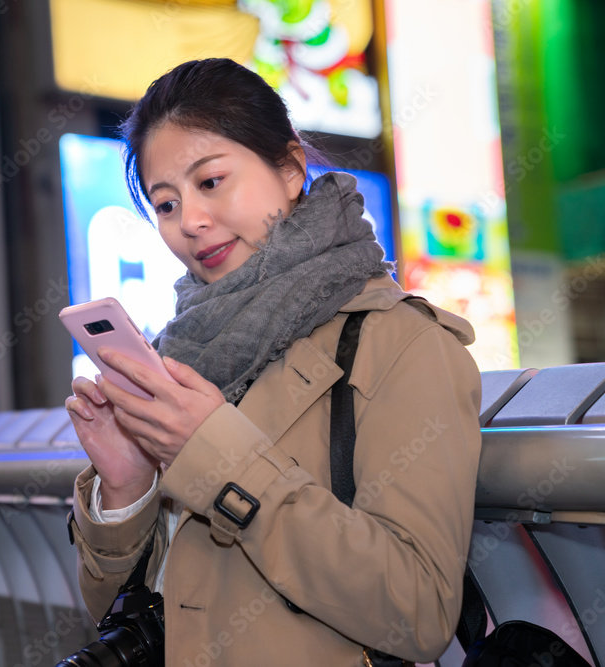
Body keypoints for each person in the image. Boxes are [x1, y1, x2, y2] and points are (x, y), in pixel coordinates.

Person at [64, 58, 482, 666]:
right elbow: (115, 606)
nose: (192, 223)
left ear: (289, 170)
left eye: (210, 183)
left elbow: (418, 608)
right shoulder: (180, 355)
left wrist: (212, 451)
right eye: (166, 203)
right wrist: (127, 488)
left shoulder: (405, 345)